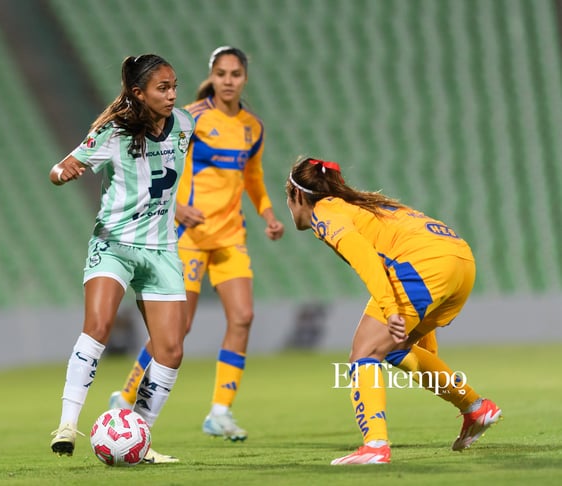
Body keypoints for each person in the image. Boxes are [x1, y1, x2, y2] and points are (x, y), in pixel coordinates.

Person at [109, 46, 284, 442]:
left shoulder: (252, 127)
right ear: (212, 75)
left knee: (242, 317)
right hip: (188, 237)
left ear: (244, 78)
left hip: (229, 236)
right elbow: (160, 162)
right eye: (221, 73)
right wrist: (176, 208)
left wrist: (268, 214)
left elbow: (252, 176)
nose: (228, 80)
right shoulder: (189, 119)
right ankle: (126, 395)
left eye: (235, 74)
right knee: (177, 328)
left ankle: (220, 411)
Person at [285, 156, 502, 465]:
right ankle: (475, 408)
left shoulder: (325, 213)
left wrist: (390, 310)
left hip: (424, 266)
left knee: (364, 352)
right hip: (461, 263)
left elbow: (366, 260)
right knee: (396, 349)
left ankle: (375, 446)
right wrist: (423, 341)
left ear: (296, 196)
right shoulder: (364, 206)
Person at [47, 54, 195, 464]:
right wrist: (65, 173)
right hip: (114, 243)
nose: (171, 94)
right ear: (138, 93)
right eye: (162, 88)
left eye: (174, 86)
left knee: (171, 349)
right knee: (97, 326)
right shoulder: (112, 132)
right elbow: (60, 169)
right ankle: (66, 424)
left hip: (162, 248)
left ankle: (139, 438)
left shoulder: (185, 124)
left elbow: (167, 175)